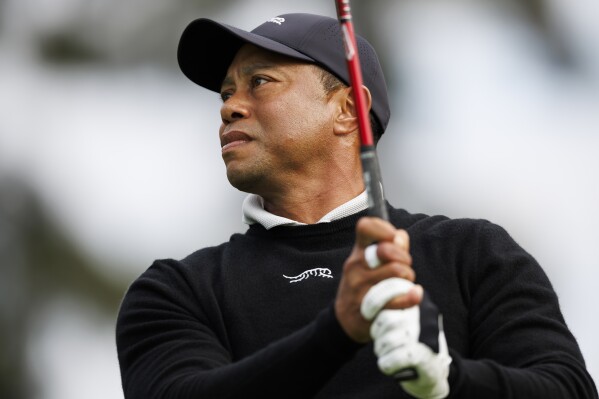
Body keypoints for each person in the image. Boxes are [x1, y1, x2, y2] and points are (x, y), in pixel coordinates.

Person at [115, 12, 598, 399]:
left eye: (258, 82)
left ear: (347, 109)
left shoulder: (471, 252)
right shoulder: (178, 290)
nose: (228, 106)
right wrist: (339, 331)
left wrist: (447, 381)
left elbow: (567, 388)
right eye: (226, 92)